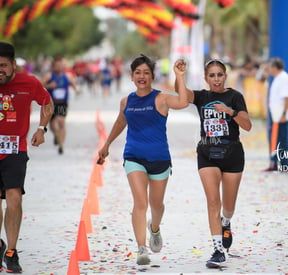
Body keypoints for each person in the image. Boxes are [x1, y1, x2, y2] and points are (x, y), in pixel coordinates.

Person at [97, 55, 188, 265]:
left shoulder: (162, 99)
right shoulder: (126, 101)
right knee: (140, 202)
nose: (142, 76)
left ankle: (154, 227)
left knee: (157, 205)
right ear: (131, 76)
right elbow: (121, 121)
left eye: (146, 73)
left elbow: (183, 102)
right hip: (133, 157)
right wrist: (107, 144)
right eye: (138, 72)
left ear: (152, 76)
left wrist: (179, 76)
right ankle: (141, 248)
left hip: (160, 159)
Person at [174, 59, 252, 268]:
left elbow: (247, 126)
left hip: (232, 154)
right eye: (212, 75)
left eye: (219, 75)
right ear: (206, 78)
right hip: (207, 153)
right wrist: (179, 76)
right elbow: (182, 94)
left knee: (228, 206)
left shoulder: (235, 97)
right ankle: (218, 250)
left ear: (225, 76)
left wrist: (229, 112)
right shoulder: (202, 96)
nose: (216, 79)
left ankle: (226, 222)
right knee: (212, 202)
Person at [0, 42, 54, 273]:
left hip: (14, 148)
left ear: (13, 64)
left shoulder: (29, 83)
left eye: (2, 66)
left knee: (14, 198)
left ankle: (11, 251)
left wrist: (42, 128)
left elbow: (48, 103)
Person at [41, 56, 79, 154]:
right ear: (53, 67)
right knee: (53, 125)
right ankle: (57, 136)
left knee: (61, 122)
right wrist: (49, 86)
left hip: (62, 103)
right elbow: (40, 86)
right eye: (57, 66)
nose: (59, 67)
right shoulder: (49, 76)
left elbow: (74, 84)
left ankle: (61, 144)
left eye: (60, 65)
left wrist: (76, 89)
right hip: (51, 104)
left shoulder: (67, 76)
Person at [263, 57, 288, 172]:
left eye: (270, 67)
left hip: (280, 115)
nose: (269, 69)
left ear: (275, 67)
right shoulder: (278, 78)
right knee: (275, 139)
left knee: (281, 140)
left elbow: (286, 97)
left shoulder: (283, 78)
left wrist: (284, 114)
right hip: (275, 115)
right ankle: (274, 163)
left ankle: (284, 165)